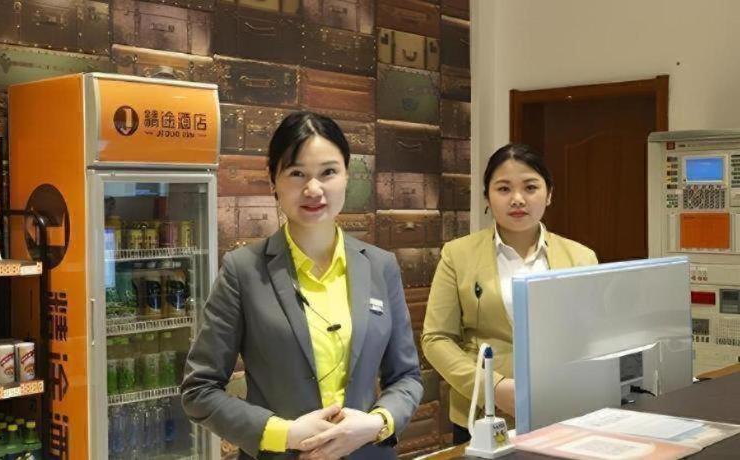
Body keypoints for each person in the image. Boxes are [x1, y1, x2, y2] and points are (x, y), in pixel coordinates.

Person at [181, 111, 423, 459]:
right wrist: (285, 433)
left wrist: (377, 423)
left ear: (347, 176)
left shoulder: (380, 266)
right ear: (273, 181)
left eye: (328, 172)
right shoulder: (242, 271)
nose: (313, 189)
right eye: (297, 173)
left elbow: (406, 377)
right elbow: (199, 390)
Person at [422, 143, 598, 444]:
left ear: (549, 194)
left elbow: (593, 337)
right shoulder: (457, 255)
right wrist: (492, 387)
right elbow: (436, 338)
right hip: (483, 415)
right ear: (487, 197)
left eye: (530, 187)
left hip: (563, 409)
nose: (517, 199)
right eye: (503, 189)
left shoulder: (581, 258)